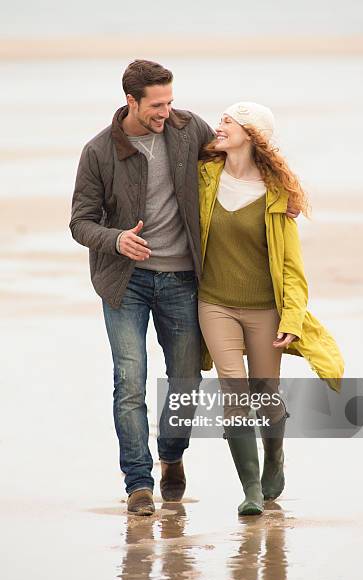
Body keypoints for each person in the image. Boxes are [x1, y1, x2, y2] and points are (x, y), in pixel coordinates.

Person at [70, 60, 299, 517]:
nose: (166, 112)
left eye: (170, 101)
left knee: (187, 382)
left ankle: (171, 454)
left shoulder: (188, 128)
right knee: (130, 383)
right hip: (125, 282)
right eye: (157, 105)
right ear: (131, 101)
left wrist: (282, 192)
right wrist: (116, 239)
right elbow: (80, 222)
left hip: (183, 280)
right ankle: (139, 482)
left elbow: (242, 156)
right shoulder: (99, 151)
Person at [198, 102, 344, 516]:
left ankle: (274, 456)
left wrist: (293, 320)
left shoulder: (277, 194)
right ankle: (251, 492)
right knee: (233, 388)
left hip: (265, 309)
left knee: (265, 392)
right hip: (214, 303)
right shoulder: (203, 177)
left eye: (229, 120)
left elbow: (292, 270)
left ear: (251, 133)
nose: (219, 124)